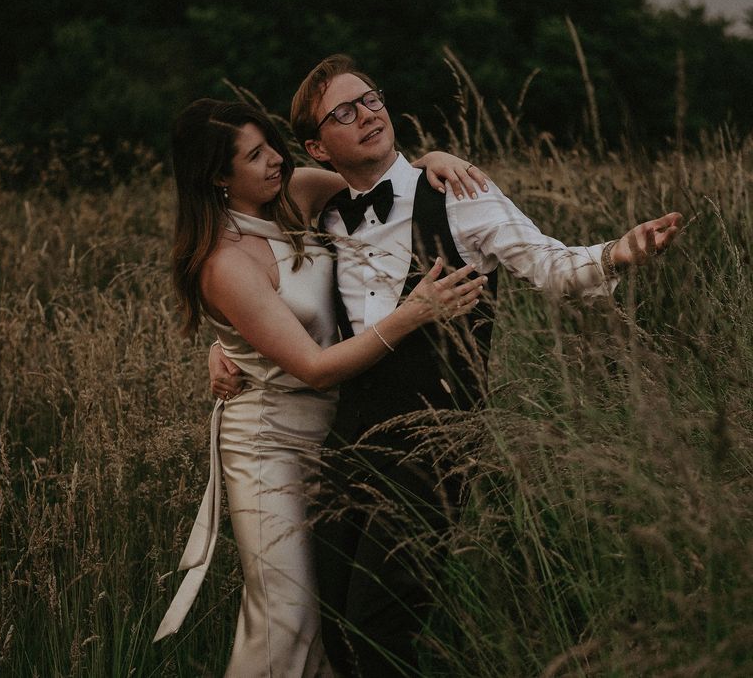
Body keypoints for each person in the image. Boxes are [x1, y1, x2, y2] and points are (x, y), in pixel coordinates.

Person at [213, 54, 683, 676]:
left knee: (382, 624)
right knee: (335, 628)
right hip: (345, 444)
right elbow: (265, 294)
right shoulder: (321, 217)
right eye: (343, 113)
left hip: (431, 447)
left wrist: (617, 254)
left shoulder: (459, 195)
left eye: (372, 98)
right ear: (317, 149)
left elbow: (553, 268)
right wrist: (222, 349)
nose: (368, 115)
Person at [152, 97, 488, 678]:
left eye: (272, 145)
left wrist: (434, 157)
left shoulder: (297, 191)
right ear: (217, 177)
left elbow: (380, 176)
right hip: (269, 444)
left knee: (335, 611)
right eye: (254, 157)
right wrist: (414, 312)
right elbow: (313, 366)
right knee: (284, 615)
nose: (274, 162)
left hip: (337, 434)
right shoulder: (224, 263)